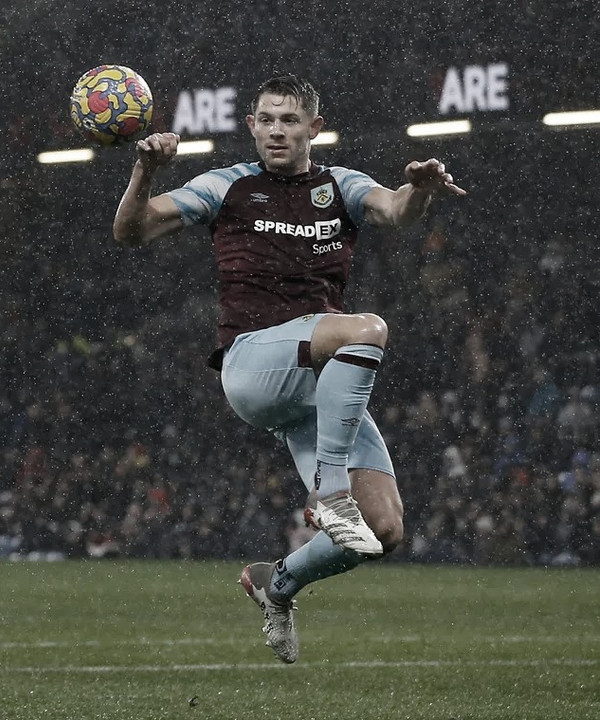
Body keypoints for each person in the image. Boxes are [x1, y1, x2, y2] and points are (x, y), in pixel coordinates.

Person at [112, 74, 464, 663]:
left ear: (313, 129)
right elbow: (130, 232)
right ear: (251, 127)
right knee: (368, 328)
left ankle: (277, 584)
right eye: (267, 120)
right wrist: (144, 171)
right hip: (253, 362)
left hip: (316, 382)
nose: (277, 130)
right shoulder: (227, 186)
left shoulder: (341, 185)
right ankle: (329, 492)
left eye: (290, 120)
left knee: (380, 531)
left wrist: (420, 188)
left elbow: (398, 211)